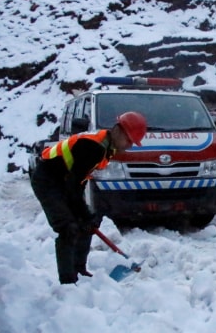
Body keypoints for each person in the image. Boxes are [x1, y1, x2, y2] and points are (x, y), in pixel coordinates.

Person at [30, 111, 147, 284]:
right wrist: (84, 213)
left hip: (63, 180)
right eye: (128, 140)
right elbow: (73, 184)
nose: (129, 145)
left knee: (87, 225)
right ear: (118, 130)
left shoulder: (106, 147)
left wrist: (86, 216)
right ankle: (68, 282)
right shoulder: (93, 147)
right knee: (67, 227)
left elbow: (79, 181)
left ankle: (79, 269)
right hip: (47, 180)